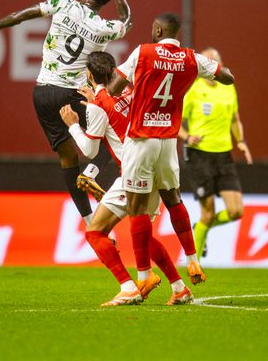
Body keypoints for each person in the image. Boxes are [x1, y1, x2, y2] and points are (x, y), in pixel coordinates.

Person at [0, 0, 131, 225]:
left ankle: (87, 220)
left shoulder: (63, 2)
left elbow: (26, 14)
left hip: (43, 93)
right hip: (74, 94)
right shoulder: (106, 29)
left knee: (67, 156)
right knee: (113, 131)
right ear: (105, 1)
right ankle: (93, 173)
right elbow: (126, 18)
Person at [108, 13, 234, 302]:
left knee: (136, 207)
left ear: (157, 29)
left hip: (141, 139)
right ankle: (192, 259)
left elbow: (116, 86)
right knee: (173, 198)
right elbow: (227, 78)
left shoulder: (143, 52)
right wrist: (204, 69)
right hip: (167, 143)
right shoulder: (191, 58)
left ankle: (143, 277)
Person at [59, 51, 193, 306]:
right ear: (114, 71)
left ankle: (128, 286)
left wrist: (73, 125)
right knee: (144, 235)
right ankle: (179, 288)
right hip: (157, 167)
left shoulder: (98, 106)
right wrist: (96, 100)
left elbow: (89, 151)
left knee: (95, 233)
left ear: (89, 74)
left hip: (133, 173)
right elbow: (113, 109)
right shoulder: (129, 89)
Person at [179, 48, 253, 261]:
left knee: (235, 212)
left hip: (224, 155)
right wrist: (187, 136)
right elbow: (176, 121)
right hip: (199, 156)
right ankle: (195, 265)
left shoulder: (228, 88)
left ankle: (201, 226)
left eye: (216, 61)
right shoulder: (193, 89)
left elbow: (234, 118)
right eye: (208, 61)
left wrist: (241, 141)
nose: (212, 65)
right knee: (208, 212)